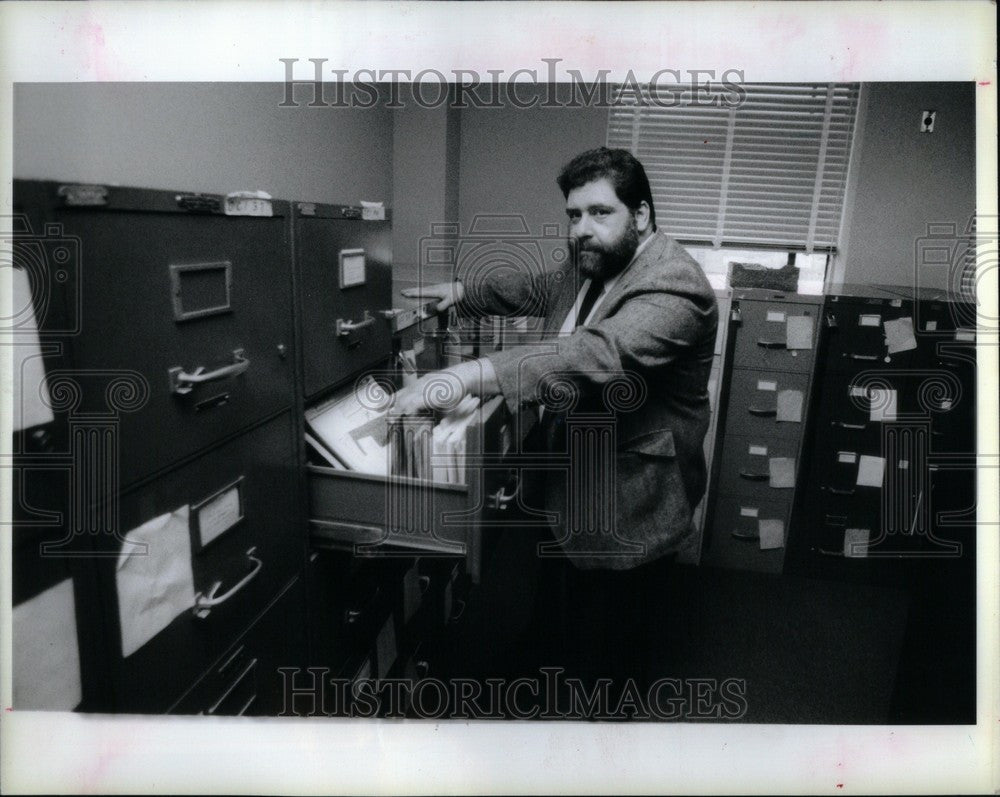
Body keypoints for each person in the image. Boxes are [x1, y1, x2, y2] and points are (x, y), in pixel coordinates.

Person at [397, 147, 718, 705]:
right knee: (556, 606)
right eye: (574, 215)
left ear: (640, 215)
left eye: (600, 212)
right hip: (569, 477)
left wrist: (471, 375)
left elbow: (596, 355)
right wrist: (463, 295)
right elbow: (537, 289)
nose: (582, 230)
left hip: (629, 498)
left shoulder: (675, 285)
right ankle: (544, 676)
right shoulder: (590, 265)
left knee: (610, 650)